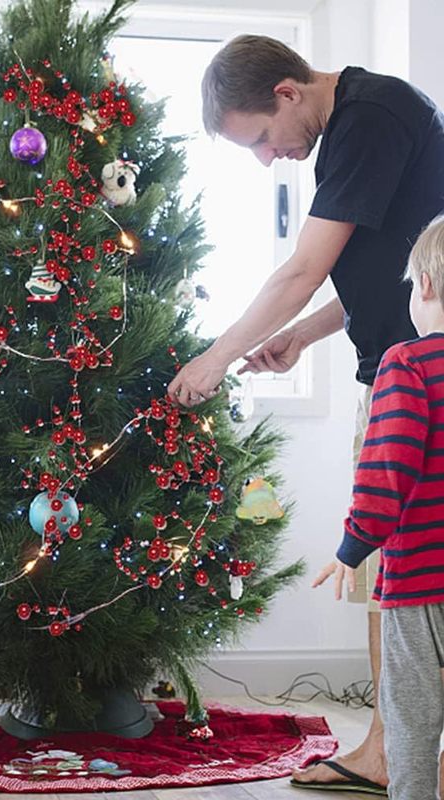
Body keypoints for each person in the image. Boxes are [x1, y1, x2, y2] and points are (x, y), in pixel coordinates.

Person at [167, 34, 444, 793]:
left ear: (288, 93)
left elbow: (302, 268)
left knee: (400, 577)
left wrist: (216, 357)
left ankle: (397, 754)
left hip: (410, 382)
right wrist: (301, 335)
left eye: (259, 139)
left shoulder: (369, 118)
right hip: (397, 367)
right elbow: (378, 268)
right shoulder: (362, 124)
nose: (266, 159)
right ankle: (393, 747)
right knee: (401, 580)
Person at [314, 216, 444, 800]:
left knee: (412, 714)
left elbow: (386, 470)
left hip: (421, 582)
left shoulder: (408, 364)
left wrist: (352, 547)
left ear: (425, 286)